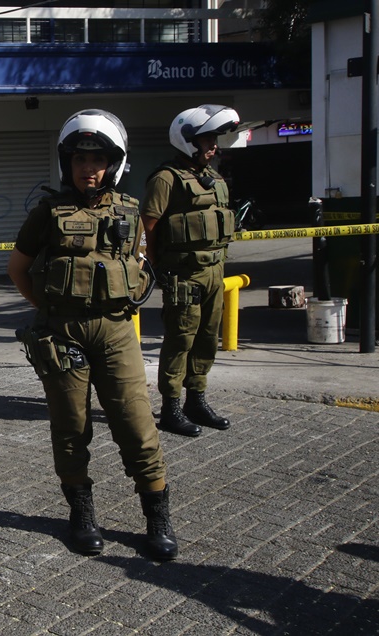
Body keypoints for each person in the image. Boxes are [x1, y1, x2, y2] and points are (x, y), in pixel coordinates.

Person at [8, 110, 177, 561]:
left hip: (118, 332)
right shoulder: (47, 213)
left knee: (137, 427)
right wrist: (47, 308)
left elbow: (141, 263)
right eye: (81, 159)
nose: (89, 168)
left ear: (114, 163)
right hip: (64, 333)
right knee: (71, 428)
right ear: (68, 163)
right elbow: (18, 269)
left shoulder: (130, 210)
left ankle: (157, 516)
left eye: (98, 159)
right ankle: (82, 514)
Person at [142, 105, 241, 438]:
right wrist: (154, 269)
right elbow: (149, 228)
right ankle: (170, 407)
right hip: (183, 275)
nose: (213, 145)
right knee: (180, 338)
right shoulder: (166, 178)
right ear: (187, 141)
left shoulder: (212, 177)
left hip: (214, 272)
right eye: (206, 139)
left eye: (214, 139)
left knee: (207, 338)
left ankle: (196, 400)